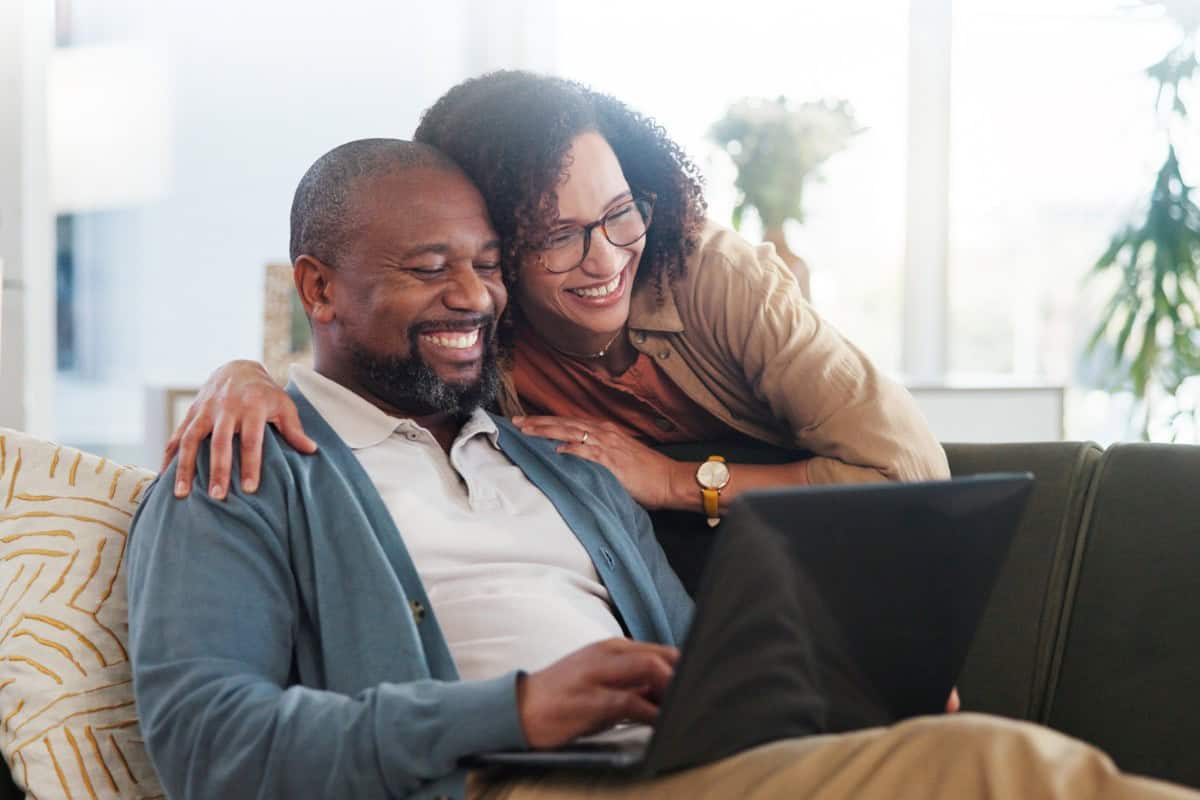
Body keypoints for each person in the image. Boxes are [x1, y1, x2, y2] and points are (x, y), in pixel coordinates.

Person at [128, 138, 1195, 800]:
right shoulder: (248, 459)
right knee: (1004, 768)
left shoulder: (561, 461)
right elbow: (207, 742)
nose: (474, 296)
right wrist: (517, 709)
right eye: (428, 267)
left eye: (489, 266)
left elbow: (698, 671)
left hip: (673, 768)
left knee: (985, 757)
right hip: (495, 780)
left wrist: (838, 699)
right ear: (318, 288)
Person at [163, 71, 948, 528]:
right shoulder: (477, 321)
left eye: (619, 212)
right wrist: (242, 376)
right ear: (496, 242)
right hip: (638, 579)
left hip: (800, 550)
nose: (605, 258)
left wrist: (674, 481)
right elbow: (359, 373)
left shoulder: (709, 270)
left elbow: (909, 473)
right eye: (558, 235)